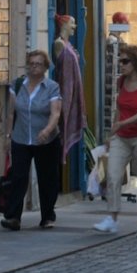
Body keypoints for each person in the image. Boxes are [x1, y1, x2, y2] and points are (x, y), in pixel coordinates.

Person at [94, 45, 137, 237]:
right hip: (121, 138)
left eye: (125, 61)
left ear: (136, 62)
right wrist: (112, 133)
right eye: (119, 61)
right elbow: (119, 108)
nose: (121, 65)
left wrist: (121, 124)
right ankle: (111, 219)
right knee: (113, 176)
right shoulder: (121, 82)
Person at [0, 50, 62, 231]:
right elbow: (11, 112)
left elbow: (55, 113)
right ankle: (13, 217)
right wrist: (8, 136)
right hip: (21, 138)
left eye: (38, 64)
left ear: (45, 67)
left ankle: (48, 216)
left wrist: (47, 130)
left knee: (47, 178)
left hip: (46, 141)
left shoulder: (52, 87)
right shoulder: (18, 85)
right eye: (31, 63)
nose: (34, 67)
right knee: (18, 176)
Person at [53, 13, 86, 162]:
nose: (75, 26)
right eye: (72, 23)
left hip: (73, 89)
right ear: (64, 25)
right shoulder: (59, 44)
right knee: (65, 119)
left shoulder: (68, 44)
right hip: (65, 90)